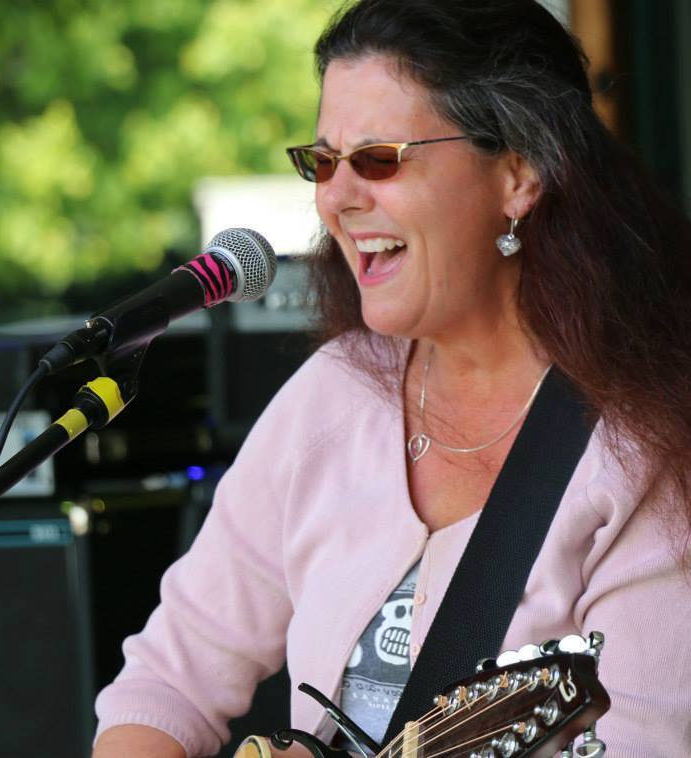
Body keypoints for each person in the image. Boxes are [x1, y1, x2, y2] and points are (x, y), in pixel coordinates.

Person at [92, 1, 691, 756]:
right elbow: (164, 684)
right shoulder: (335, 392)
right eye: (321, 161)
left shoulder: (645, 452)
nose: (336, 197)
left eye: (379, 158)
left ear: (518, 173)